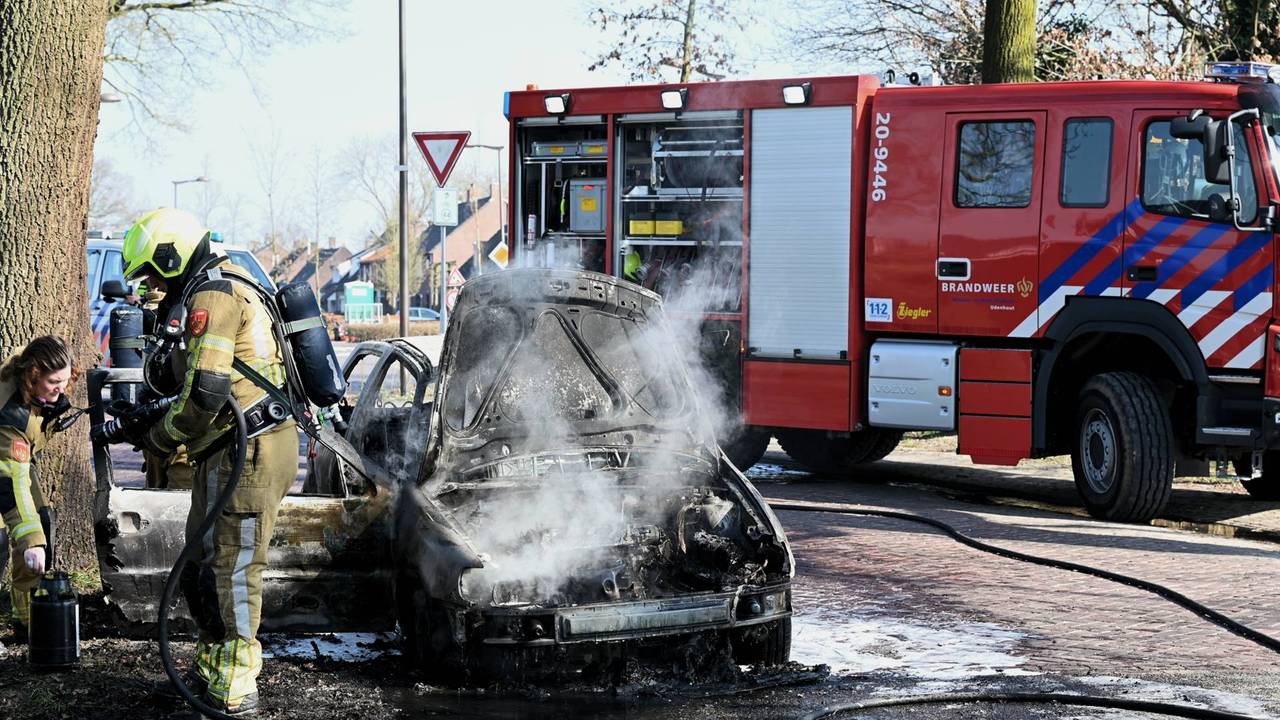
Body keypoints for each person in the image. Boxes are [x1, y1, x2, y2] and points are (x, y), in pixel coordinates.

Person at [120, 208, 296, 716]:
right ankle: (212, 666)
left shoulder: (214, 294)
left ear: (172, 255)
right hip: (227, 448)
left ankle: (236, 687)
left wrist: (155, 436)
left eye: (152, 270)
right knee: (201, 563)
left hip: (252, 449)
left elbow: (206, 393)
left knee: (235, 569)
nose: (149, 283)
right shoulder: (216, 284)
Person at [0, 336, 78, 639]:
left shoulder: (33, 361)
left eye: (65, 378)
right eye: (53, 382)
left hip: (15, 463)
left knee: (40, 521)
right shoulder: (10, 414)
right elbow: (12, 484)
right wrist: (32, 541)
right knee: (13, 537)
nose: (61, 388)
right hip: (5, 465)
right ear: (32, 377)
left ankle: (27, 617)